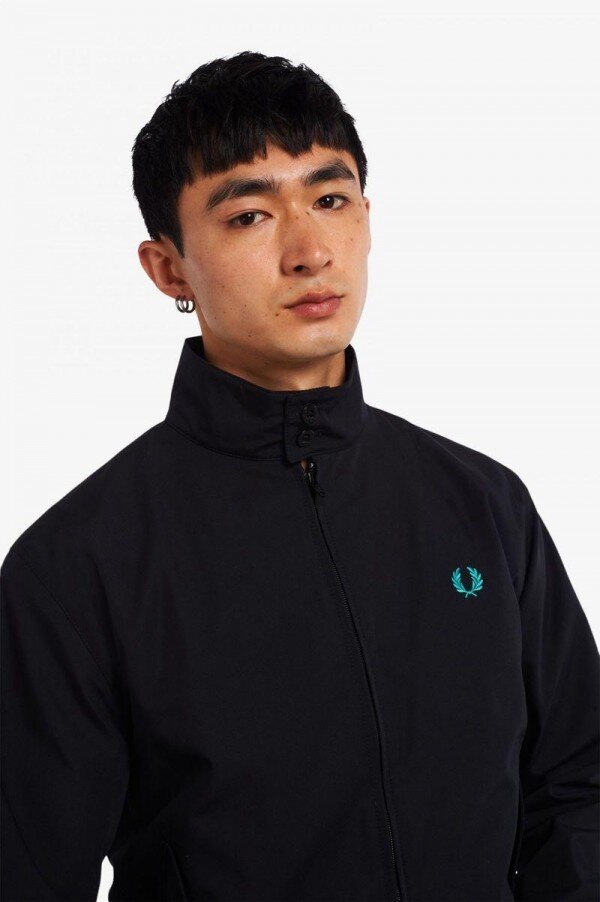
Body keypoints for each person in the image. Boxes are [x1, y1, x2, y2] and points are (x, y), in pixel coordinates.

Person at [1, 50, 598, 902]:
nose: (311, 251)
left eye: (330, 199)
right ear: (169, 268)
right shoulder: (78, 565)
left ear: (366, 217)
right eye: (249, 215)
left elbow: (579, 788)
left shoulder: (483, 504)